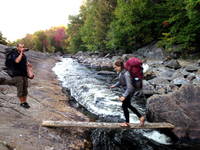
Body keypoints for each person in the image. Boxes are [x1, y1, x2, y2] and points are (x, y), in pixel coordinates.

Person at [110, 59, 145, 127]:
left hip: (129, 92)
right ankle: (141, 117)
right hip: (126, 91)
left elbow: (130, 88)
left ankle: (127, 122)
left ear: (120, 66)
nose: (114, 69)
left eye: (115, 67)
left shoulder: (126, 74)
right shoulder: (121, 73)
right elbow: (121, 81)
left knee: (124, 106)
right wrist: (114, 85)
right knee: (128, 105)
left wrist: (124, 96)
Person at [0, 43, 31, 109]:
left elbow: (25, 63)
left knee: (25, 89)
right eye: (20, 47)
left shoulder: (24, 55)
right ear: (17, 47)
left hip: (24, 74)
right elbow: (17, 61)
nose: (22, 48)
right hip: (17, 74)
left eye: (23, 47)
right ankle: (22, 103)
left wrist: (28, 66)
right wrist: (21, 53)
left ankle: (25, 102)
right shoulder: (14, 54)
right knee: (20, 88)